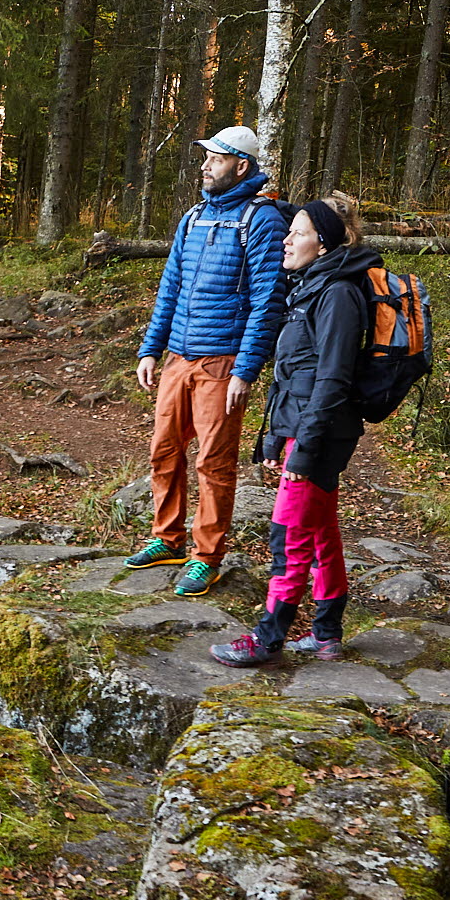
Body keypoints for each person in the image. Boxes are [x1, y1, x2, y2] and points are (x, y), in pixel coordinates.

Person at [210, 191, 376, 666]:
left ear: (322, 244)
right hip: (301, 428)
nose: (286, 240)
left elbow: (332, 379)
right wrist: (274, 435)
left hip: (320, 433)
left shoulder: (339, 294)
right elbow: (294, 373)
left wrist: (303, 448)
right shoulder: (310, 286)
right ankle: (327, 633)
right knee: (321, 531)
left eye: (297, 233)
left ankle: (267, 639)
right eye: (289, 230)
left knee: (289, 535)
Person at [125, 124, 287, 598]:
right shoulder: (193, 217)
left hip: (223, 361)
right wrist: (151, 348)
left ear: (241, 166)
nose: (205, 166)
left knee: (214, 463)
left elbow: (267, 302)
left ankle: (205, 557)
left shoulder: (262, 220)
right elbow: (169, 288)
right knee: (164, 451)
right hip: (178, 356)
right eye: (206, 158)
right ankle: (167, 538)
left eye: (214, 159)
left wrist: (246, 369)